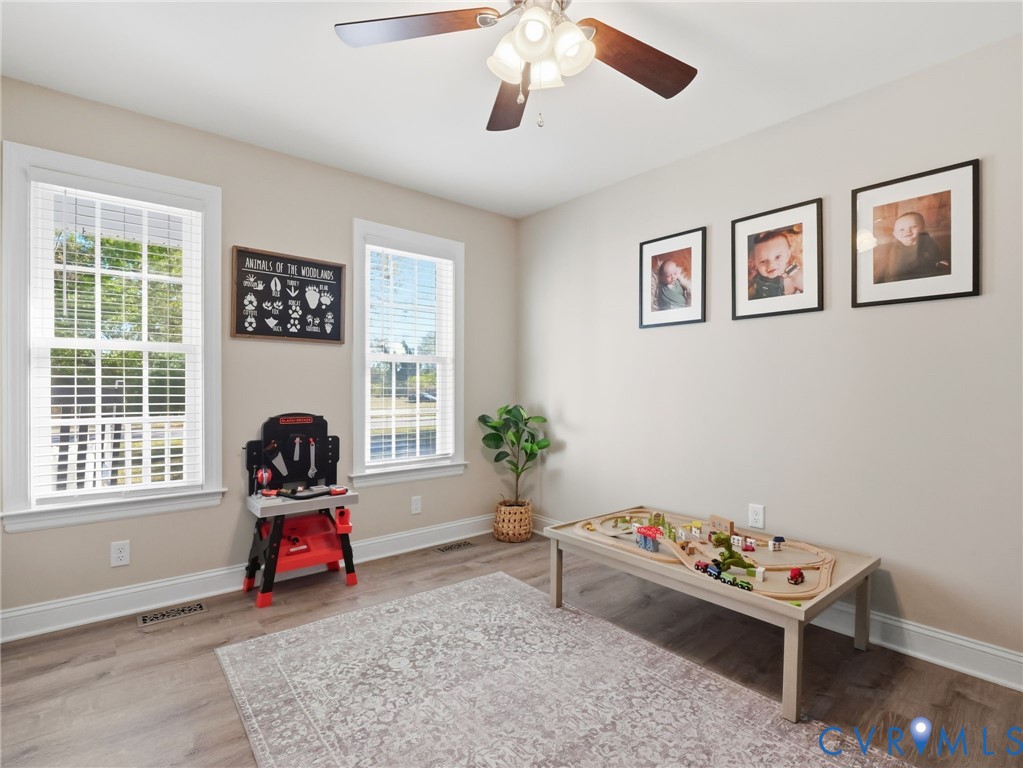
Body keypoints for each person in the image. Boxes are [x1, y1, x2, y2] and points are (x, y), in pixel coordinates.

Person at [873, 211, 950, 283]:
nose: (907, 231)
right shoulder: (893, 250)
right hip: (898, 280)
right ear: (895, 234)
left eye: (913, 226)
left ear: (923, 230)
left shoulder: (926, 240)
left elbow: (936, 253)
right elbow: (892, 271)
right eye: (901, 229)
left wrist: (941, 260)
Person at [748, 229, 803, 300]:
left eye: (777, 257)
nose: (771, 265)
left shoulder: (795, 277)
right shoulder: (756, 274)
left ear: (788, 256)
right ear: (755, 263)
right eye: (763, 261)